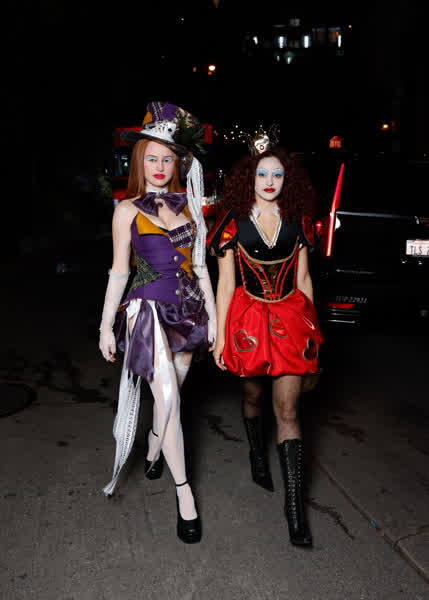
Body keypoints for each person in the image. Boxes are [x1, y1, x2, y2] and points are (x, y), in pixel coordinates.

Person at [99, 101, 216, 544]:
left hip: (187, 313)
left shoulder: (189, 210)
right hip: (146, 312)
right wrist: (105, 326)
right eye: (152, 158)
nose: (160, 167)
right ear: (139, 161)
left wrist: (216, 320)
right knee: (168, 399)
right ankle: (185, 494)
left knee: (169, 404)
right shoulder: (127, 210)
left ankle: (153, 441)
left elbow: (201, 268)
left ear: (178, 163)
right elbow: (119, 272)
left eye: (168, 159)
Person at [207, 129, 322, 547]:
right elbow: (225, 284)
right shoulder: (231, 224)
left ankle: (295, 512)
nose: (270, 181)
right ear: (248, 177)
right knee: (253, 396)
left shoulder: (299, 221)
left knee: (288, 411)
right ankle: (257, 455)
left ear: (287, 179)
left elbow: (304, 279)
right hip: (249, 318)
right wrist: (220, 338)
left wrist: (313, 333)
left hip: (290, 319)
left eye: (277, 174)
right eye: (262, 174)